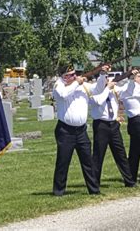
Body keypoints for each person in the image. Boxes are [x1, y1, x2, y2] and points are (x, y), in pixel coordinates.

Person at [52, 64, 106, 196]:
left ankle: (94, 189)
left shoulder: (83, 86)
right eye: (71, 74)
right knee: (63, 162)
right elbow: (64, 95)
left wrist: (103, 75)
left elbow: (98, 89)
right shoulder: (59, 85)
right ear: (64, 77)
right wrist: (77, 83)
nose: (75, 76)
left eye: (75, 73)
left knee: (88, 161)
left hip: (81, 131)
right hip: (65, 131)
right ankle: (59, 191)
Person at [90, 75, 136, 188]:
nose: (108, 81)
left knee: (120, 154)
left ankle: (129, 181)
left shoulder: (114, 90)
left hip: (113, 124)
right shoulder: (95, 91)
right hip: (101, 124)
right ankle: (95, 183)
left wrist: (131, 79)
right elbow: (99, 101)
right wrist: (107, 88)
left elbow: (129, 91)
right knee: (98, 155)